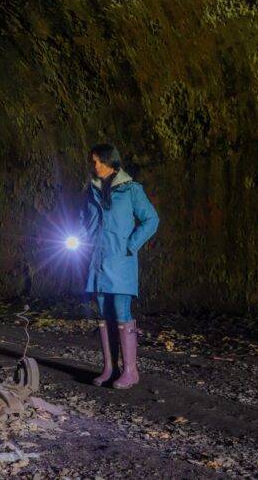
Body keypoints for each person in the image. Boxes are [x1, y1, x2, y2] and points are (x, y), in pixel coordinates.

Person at [80, 143, 159, 389]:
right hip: (97, 260)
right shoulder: (90, 191)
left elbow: (151, 219)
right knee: (103, 314)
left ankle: (130, 372)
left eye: (99, 161)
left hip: (120, 260)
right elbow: (85, 222)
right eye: (93, 161)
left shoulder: (131, 190)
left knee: (121, 312)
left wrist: (130, 245)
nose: (95, 166)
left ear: (111, 163)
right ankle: (109, 368)